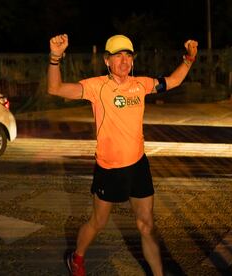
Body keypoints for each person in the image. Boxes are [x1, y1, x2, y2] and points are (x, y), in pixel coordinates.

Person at [47, 34, 198, 276]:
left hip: (138, 165)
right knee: (98, 223)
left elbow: (173, 81)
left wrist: (189, 59)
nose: (124, 60)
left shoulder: (141, 84)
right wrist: (55, 58)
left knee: (147, 225)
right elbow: (55, 88)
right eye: (118, 55)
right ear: (107, 61)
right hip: (109, 169)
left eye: (128, 55)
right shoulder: (96, 86)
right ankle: (77, 257)